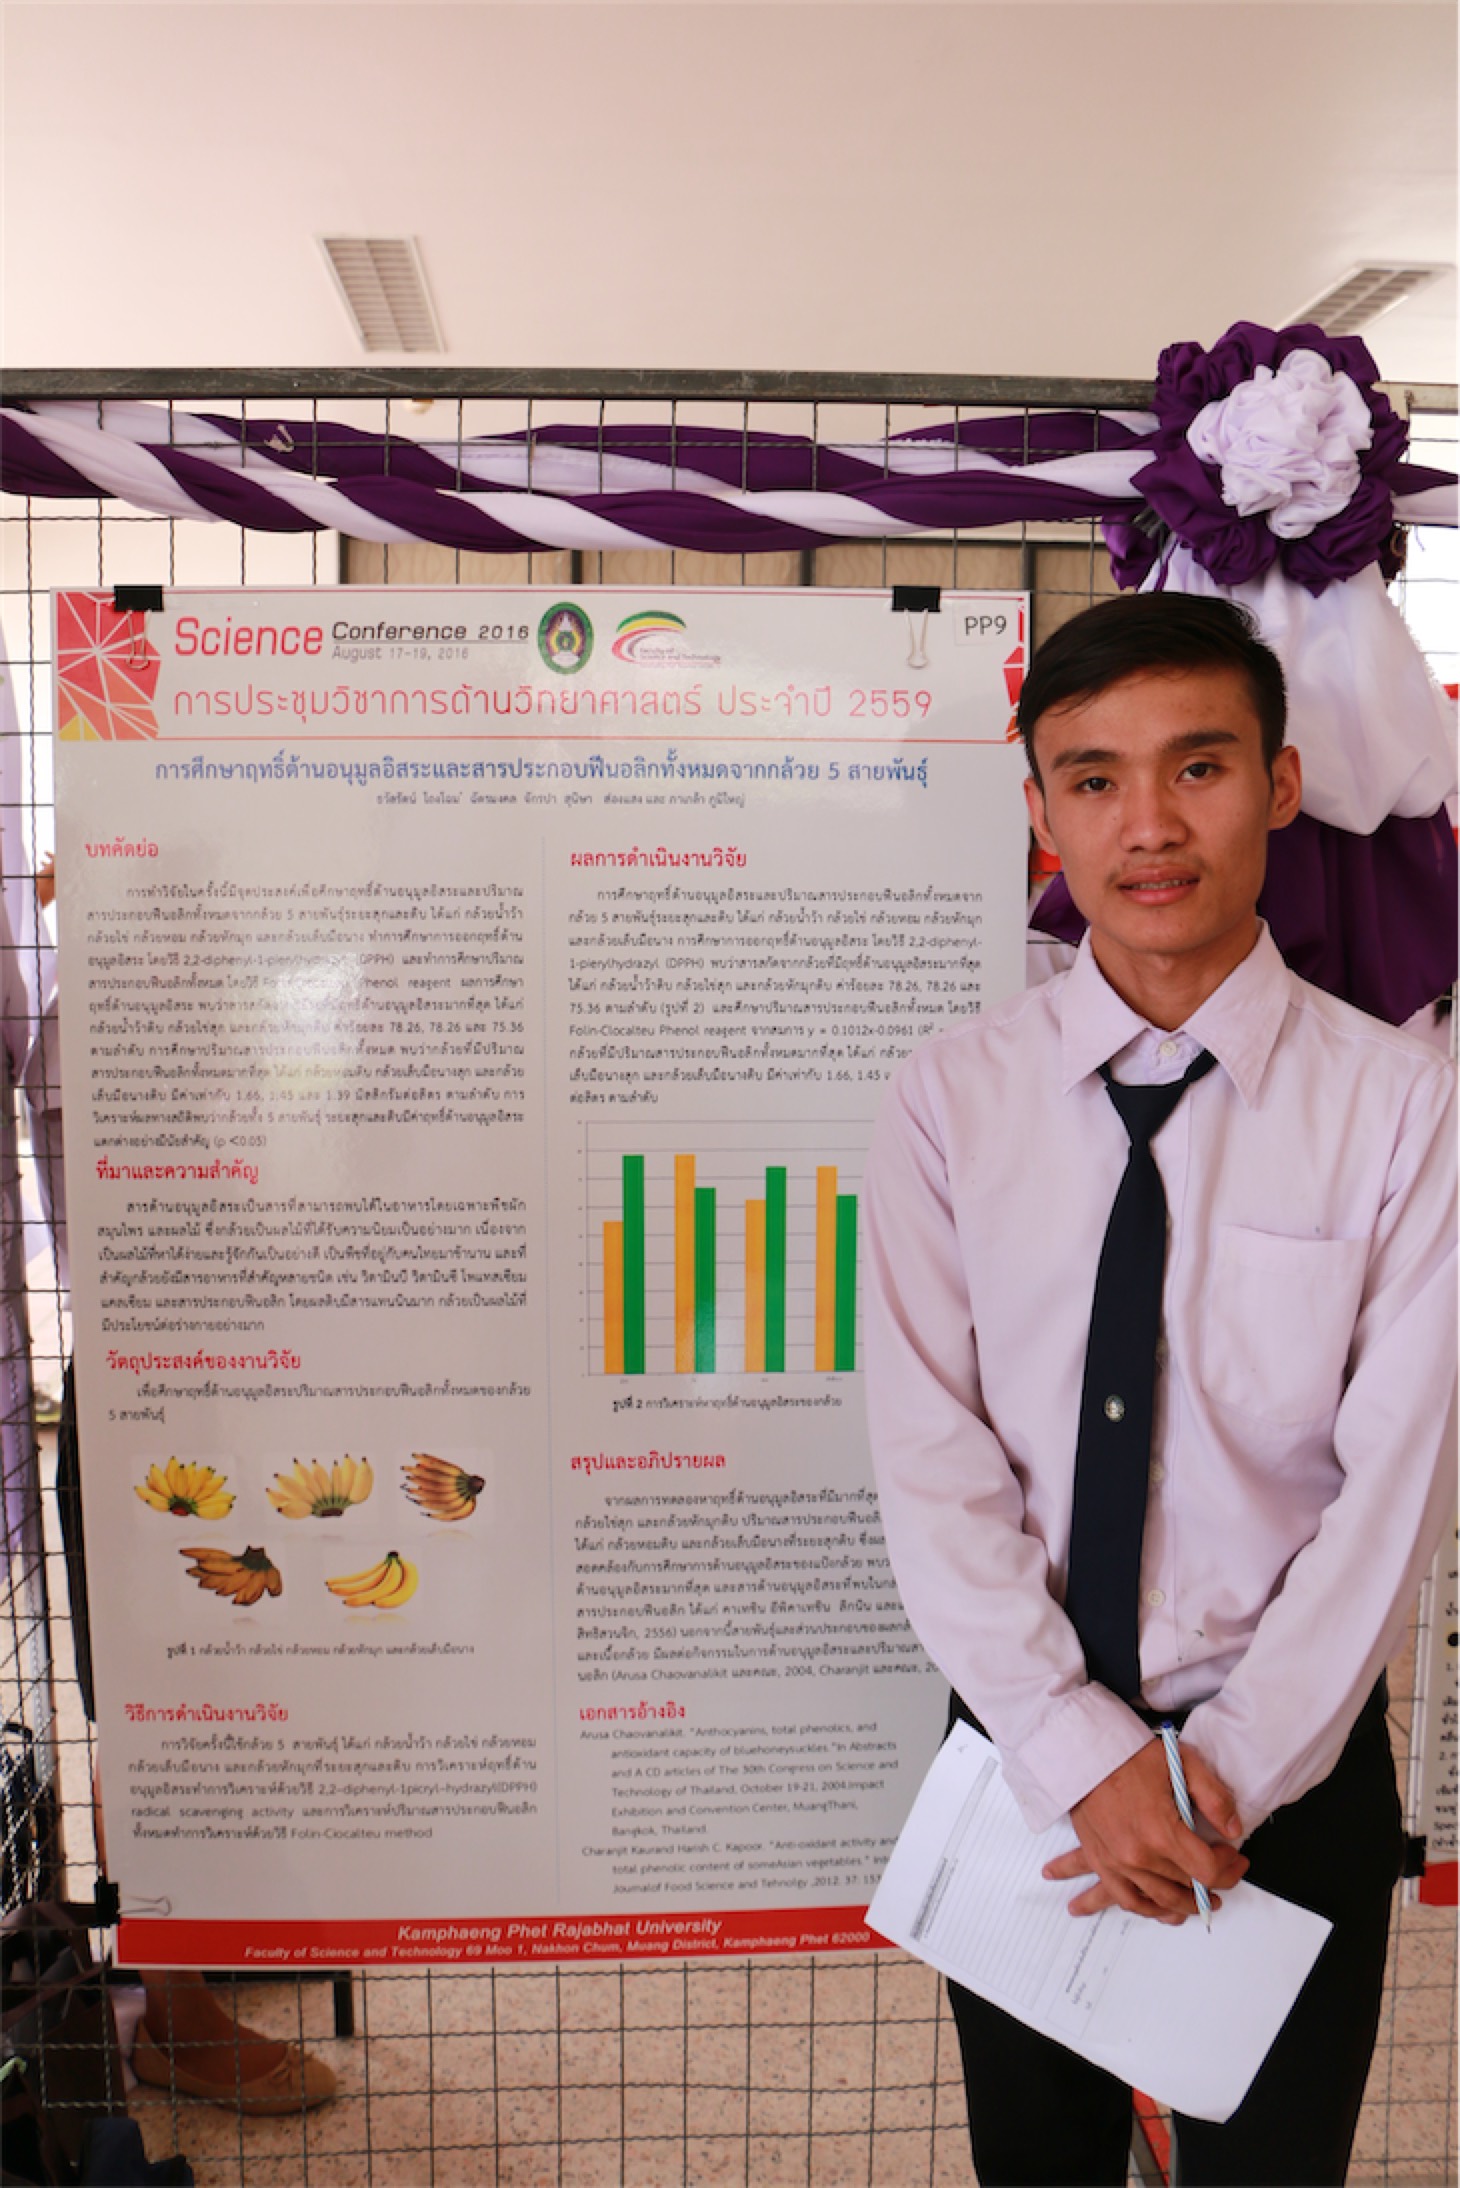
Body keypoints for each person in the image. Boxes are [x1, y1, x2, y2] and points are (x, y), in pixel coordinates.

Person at [863, 593, 1455, 2188]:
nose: (1149, 826)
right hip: (1025, 1756)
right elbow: (931, 1458)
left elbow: (1393, 1493)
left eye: (1198, 766)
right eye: (1095, 777)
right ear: (1041, 811)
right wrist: (1076, 1749)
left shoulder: (1406, 1113)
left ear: (1279, 782)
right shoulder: (949, 1104)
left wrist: (1217, 1777)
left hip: (1290, 1767)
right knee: (1037, 2165)